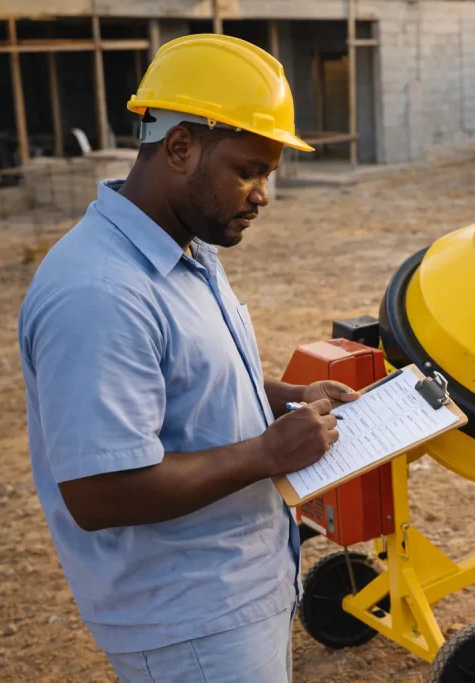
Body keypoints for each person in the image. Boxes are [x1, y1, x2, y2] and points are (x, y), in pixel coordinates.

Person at [18, 34, 355, 682]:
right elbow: (99, 490)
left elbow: (190, 383)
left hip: (233, 593)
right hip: (192, 625)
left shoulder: (187, 251)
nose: (262, 194)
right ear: (180, 147)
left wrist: (288, 396)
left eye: (269, 176)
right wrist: (268, 453)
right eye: (249, 170)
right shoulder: (99, 290)